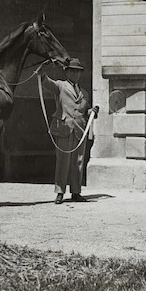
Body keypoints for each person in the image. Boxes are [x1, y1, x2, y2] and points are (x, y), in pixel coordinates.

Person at [38, 58, 99, 204]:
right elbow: (46, 82)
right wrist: (41, 71)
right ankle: (60, 192)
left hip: (79, 130)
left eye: (78, 71)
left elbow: (84, 110)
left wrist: (93, 111)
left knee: (78, 162)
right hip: (64, 128)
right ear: (67, 72)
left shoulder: (84, 92)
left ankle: (76, 192)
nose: (76, 74)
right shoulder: (60, 86)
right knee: (63, 162)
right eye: (73, 71)